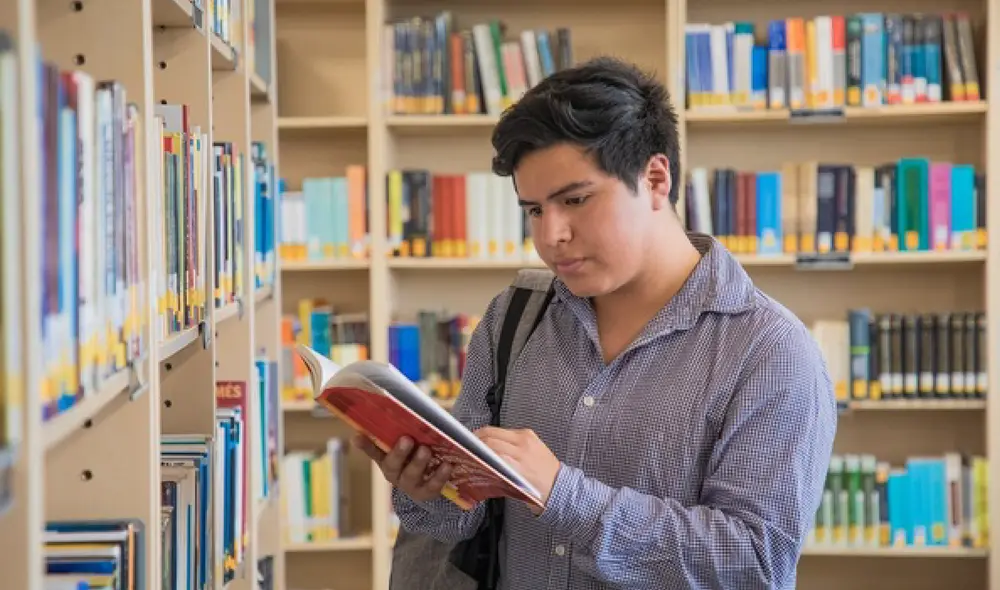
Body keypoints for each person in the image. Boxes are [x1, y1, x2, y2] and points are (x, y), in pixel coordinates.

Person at [353, 56, 838, 589]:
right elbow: (462, 523)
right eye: (534, 210)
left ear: (655, 179)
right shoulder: (511, 318)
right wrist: (429, 490)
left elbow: (753, 566)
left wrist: (563, 494)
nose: (551, 235)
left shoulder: (770, 352)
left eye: (575, 200)